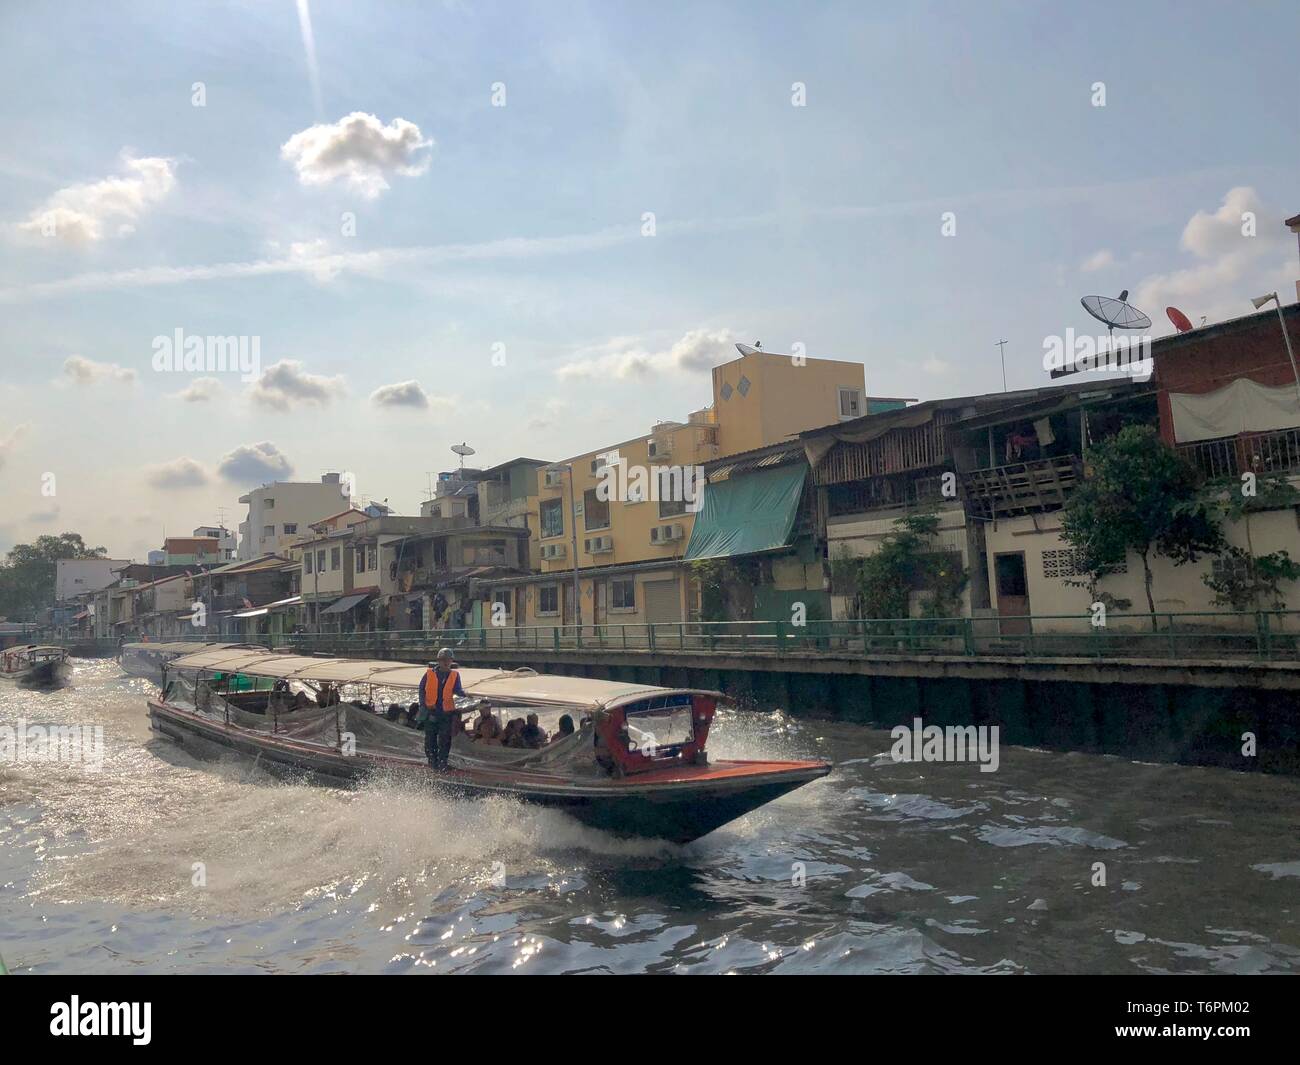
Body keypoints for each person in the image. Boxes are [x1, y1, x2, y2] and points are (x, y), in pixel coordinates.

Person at [418, 648, 465, 769]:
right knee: (430, 739)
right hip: (431, 711)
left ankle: (442, 762)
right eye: (443, 660)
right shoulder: (429, 673)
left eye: (448, 660)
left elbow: (458, 690)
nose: (445, 662)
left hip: (446, 713)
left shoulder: (454, 675)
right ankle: (432, 761)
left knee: (444, 739)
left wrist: (465, 694)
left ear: (451, 661)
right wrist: (423, 704)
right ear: (438, 661)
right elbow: (421, 689)